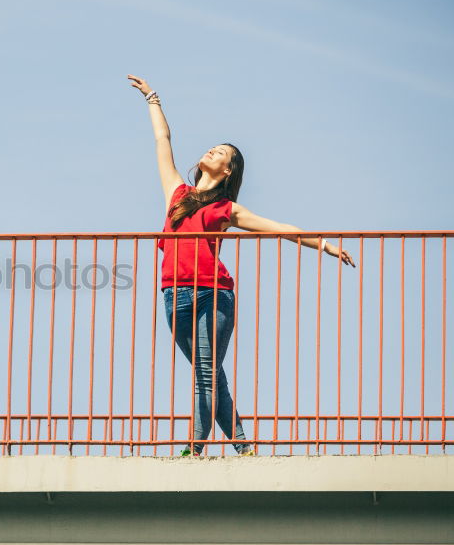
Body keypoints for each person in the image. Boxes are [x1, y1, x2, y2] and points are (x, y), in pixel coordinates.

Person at [126, 74, 356, 456]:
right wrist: (153, 99)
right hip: (173, 295)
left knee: (204, 373)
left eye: (221, 153)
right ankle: (244, 446)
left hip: (214, 294)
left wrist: (325, 246)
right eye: (212, 149)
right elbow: (163, 141)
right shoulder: (177, 193)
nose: (212, 152)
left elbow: (279, 228)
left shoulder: (226, 209)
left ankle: (193, 450)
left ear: (228, 171)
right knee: (211, 375)